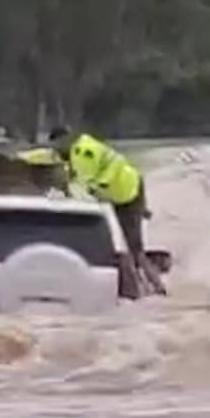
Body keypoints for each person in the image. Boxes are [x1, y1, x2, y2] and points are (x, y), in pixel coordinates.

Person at [48, 126, 166, 295]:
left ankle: (155, 288)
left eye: (56, 146)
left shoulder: (83, 153)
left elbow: (82, 190)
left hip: (125, 195)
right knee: (128, 246)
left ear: (64, 140)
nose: (55, 150)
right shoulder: (83, 144)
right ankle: (145, 285)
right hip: (127, 186)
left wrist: (66, 193)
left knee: (133, 249)